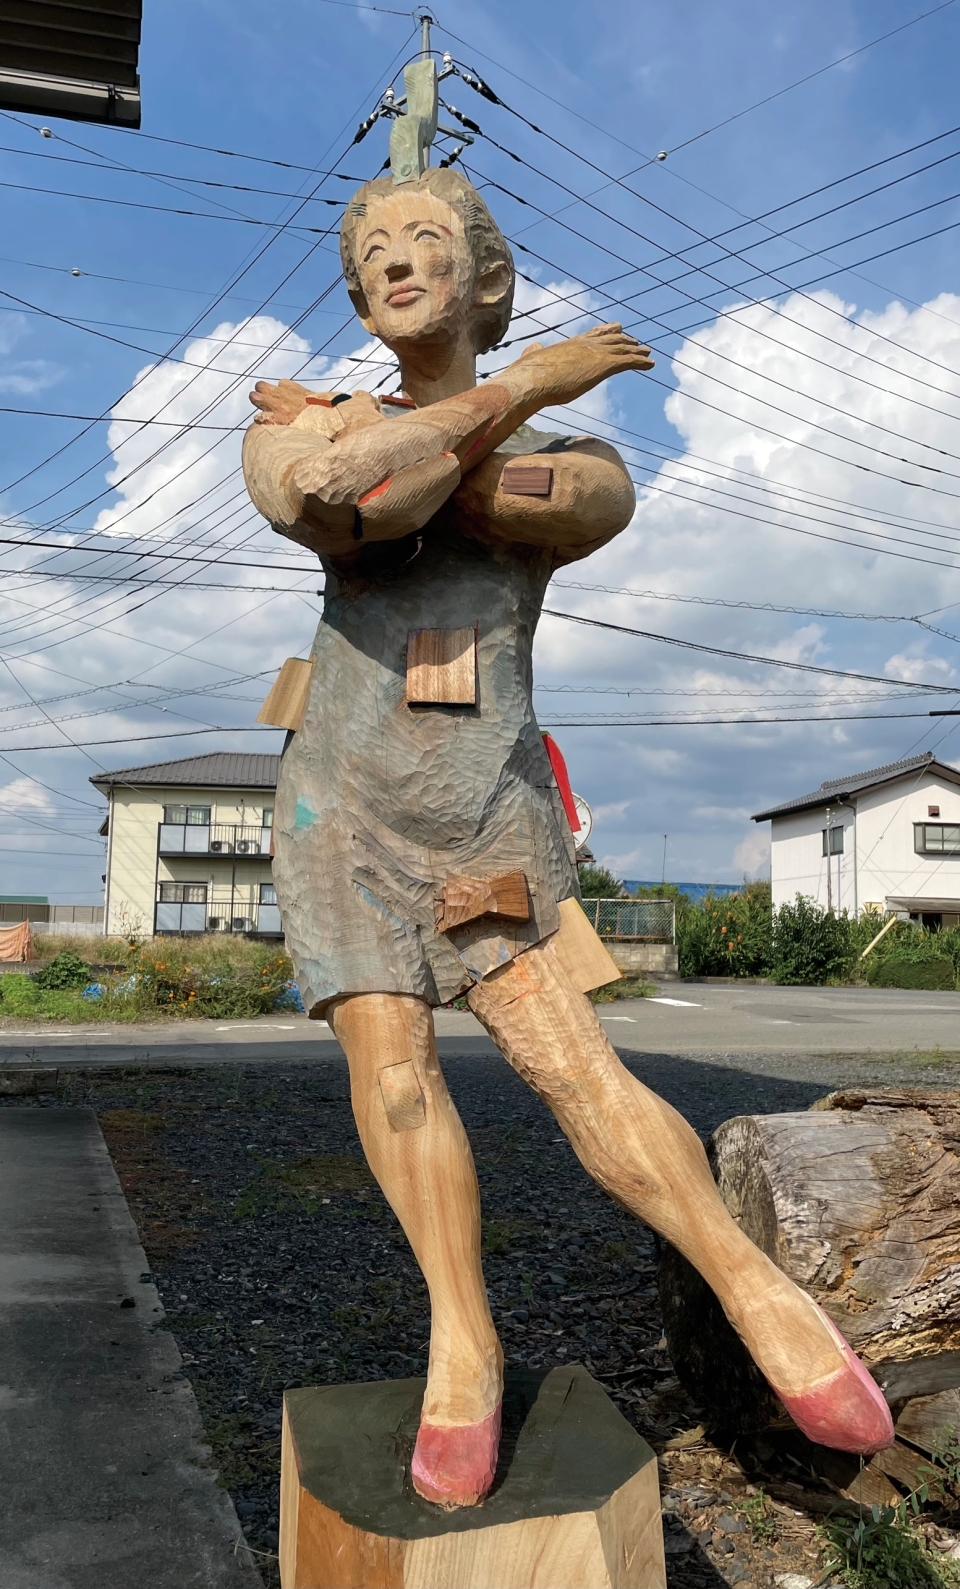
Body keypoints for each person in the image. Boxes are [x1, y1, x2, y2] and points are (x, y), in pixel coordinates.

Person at [242, 167, 893, 1510]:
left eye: (426, 237)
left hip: (484, 799)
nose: (395, 259)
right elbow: (343, 501)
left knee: (576, 1068)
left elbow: (497, 504)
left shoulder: (583, 461)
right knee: (397, 1079)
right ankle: (462, 1337)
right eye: (373, 248)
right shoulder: (302, 427)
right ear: (358, 293)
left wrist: (424, 441)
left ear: (484, 276)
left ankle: (753, 1283)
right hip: (335, 804)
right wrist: (529, 380)